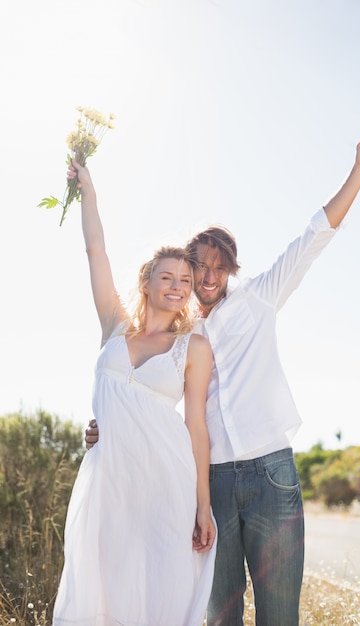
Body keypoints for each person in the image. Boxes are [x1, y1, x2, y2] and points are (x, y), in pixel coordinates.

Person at [85, 125, 360, 625]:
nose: (207, 278)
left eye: (218, 268)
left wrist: (359, 169)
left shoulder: (260, 299)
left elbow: (314, 236)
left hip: (272, 473)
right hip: (207, 482)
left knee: (278, 616)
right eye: (198, 269)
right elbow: (139, 390)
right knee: (219, 616)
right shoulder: (180, 336)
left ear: (230, 269)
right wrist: (104, 427)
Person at [52, 160, 217, 626]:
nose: (178, 287)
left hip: (168, 482)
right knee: (105, 587)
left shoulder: (193, 347)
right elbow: (95, 250)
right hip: (109, 480)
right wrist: (88, 191)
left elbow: (196, 428)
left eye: (185, 282)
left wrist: (203, 506)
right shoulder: (115, 326)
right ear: (146, 281)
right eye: (167, 277)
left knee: (161, 591)